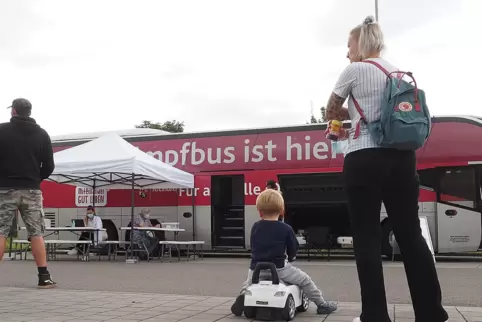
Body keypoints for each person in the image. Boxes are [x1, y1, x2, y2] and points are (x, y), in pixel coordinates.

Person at [325, 16, 448, 322]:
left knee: (366, 236)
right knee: (410, 235)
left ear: (361, 44)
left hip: (363, 157)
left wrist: (347, 113)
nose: (347, 52)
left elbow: (330, 109)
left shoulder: (354, 70)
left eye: (349, 45)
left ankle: (376, 315)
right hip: (402, 158)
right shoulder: (398, 72)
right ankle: (431, 312)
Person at [231, 189, 337, 316]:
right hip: (279, 268)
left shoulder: (255, 226)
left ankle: (243, 296)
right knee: (304, 280)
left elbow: (253, 246)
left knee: (248, 284)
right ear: (282, 211)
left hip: (256, 269)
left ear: (259, 212)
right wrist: (291, 257)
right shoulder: (286, 229)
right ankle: (321, 304)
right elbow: (293, 248)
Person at [0, 98, 56, 288]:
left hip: (4, 189)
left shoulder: (1, 130)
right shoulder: (42, 134)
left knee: (0, 232)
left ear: (13, 111)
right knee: (36, 233)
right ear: (29, 112)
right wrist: (34, 179)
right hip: (32, 190)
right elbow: (49, 165)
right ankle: (44, 276)